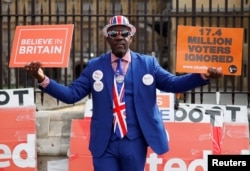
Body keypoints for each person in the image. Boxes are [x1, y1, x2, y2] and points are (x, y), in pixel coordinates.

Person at [25, 15, 222, 171]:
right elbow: (72, 95)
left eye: (124, 32)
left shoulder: (148, 64)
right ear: (107, 38)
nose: (119, 36)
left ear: (131, 36)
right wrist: (43, 78)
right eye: (113, 33)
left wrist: (202, 76)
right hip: (105, 143)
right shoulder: (95, 66)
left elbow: (173, 84)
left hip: (134, 141)